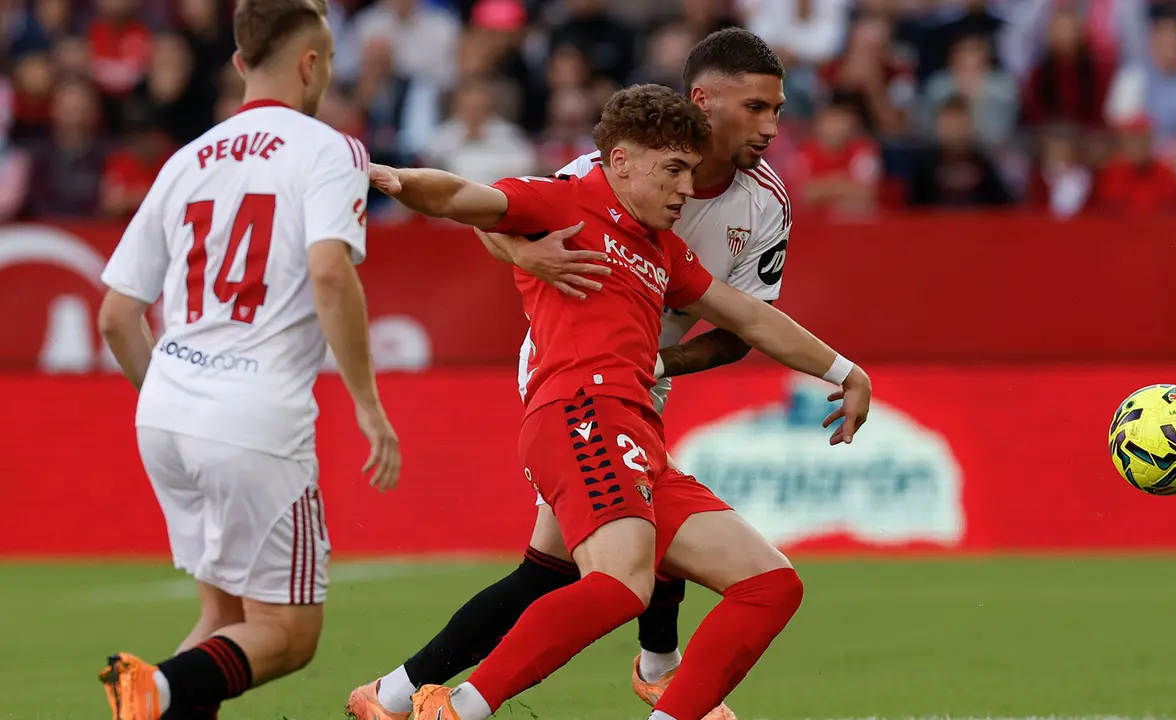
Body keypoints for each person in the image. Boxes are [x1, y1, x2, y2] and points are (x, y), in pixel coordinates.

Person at [360, 83, 871, 720]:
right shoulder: (570, 199)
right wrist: (387, 176)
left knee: (769, 584)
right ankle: (460, 708)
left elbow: (749, 319)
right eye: (674, 170)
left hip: (635, 425)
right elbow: (466, 197)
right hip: (579, 410)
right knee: (621, 582)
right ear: (622, 161)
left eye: (691, 170)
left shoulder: (665, 250)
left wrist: (846, 370)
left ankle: (402, 693)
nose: (685, 188)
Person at [93, 1, 401, 718]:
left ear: (238, 64)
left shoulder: (184, 159)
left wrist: (173, 393)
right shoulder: (330, 150)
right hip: (254, 418)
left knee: (226, 618)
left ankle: (159, 695)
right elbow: (331, 273)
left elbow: (115, 315)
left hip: (165, 414)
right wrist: (367, 403)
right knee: (288, 634)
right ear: (311, 63)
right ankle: (157, 688)